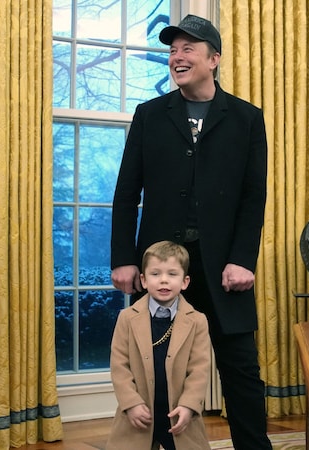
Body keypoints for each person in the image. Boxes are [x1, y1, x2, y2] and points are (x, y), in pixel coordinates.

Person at [110, 14, 271, 449]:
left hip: (223, 268)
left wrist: (242, 259)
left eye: (187, 49)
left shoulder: (246, 119)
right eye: (173, 50)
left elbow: (252, 199)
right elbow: (126, 194)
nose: (177, 58)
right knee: (154, 368)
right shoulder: (149, 116)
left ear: (213, 59)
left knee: (241, 369)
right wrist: (124, 258)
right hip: (161, 268)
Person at [107, 241, 211, 450]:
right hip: (139, 414)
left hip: (179, 415)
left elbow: (200, 369)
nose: (164, 280)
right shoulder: (127, 318)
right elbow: (119, 366)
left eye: (172, 274)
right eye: (155, 274)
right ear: (144, 280)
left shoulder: (198, 321)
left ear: (185, 281)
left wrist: (189, 405)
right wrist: (131, 403)